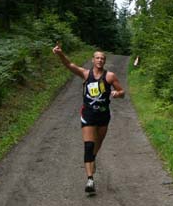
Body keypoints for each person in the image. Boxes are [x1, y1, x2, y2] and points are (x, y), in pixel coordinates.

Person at [53, 44, 125, 193]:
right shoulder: (86, 74)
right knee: (88, 146)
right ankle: (90, 180)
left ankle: (92, 159)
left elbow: (122, 91)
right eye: (97, 58)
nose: (100, 60)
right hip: (88, 115)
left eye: (102, 58)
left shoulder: (110, 76)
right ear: (93, 60)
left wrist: (117, 94)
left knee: (96, 145)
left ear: (104, 61)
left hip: (103, 115)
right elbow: (70, 65)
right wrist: (60, 54)